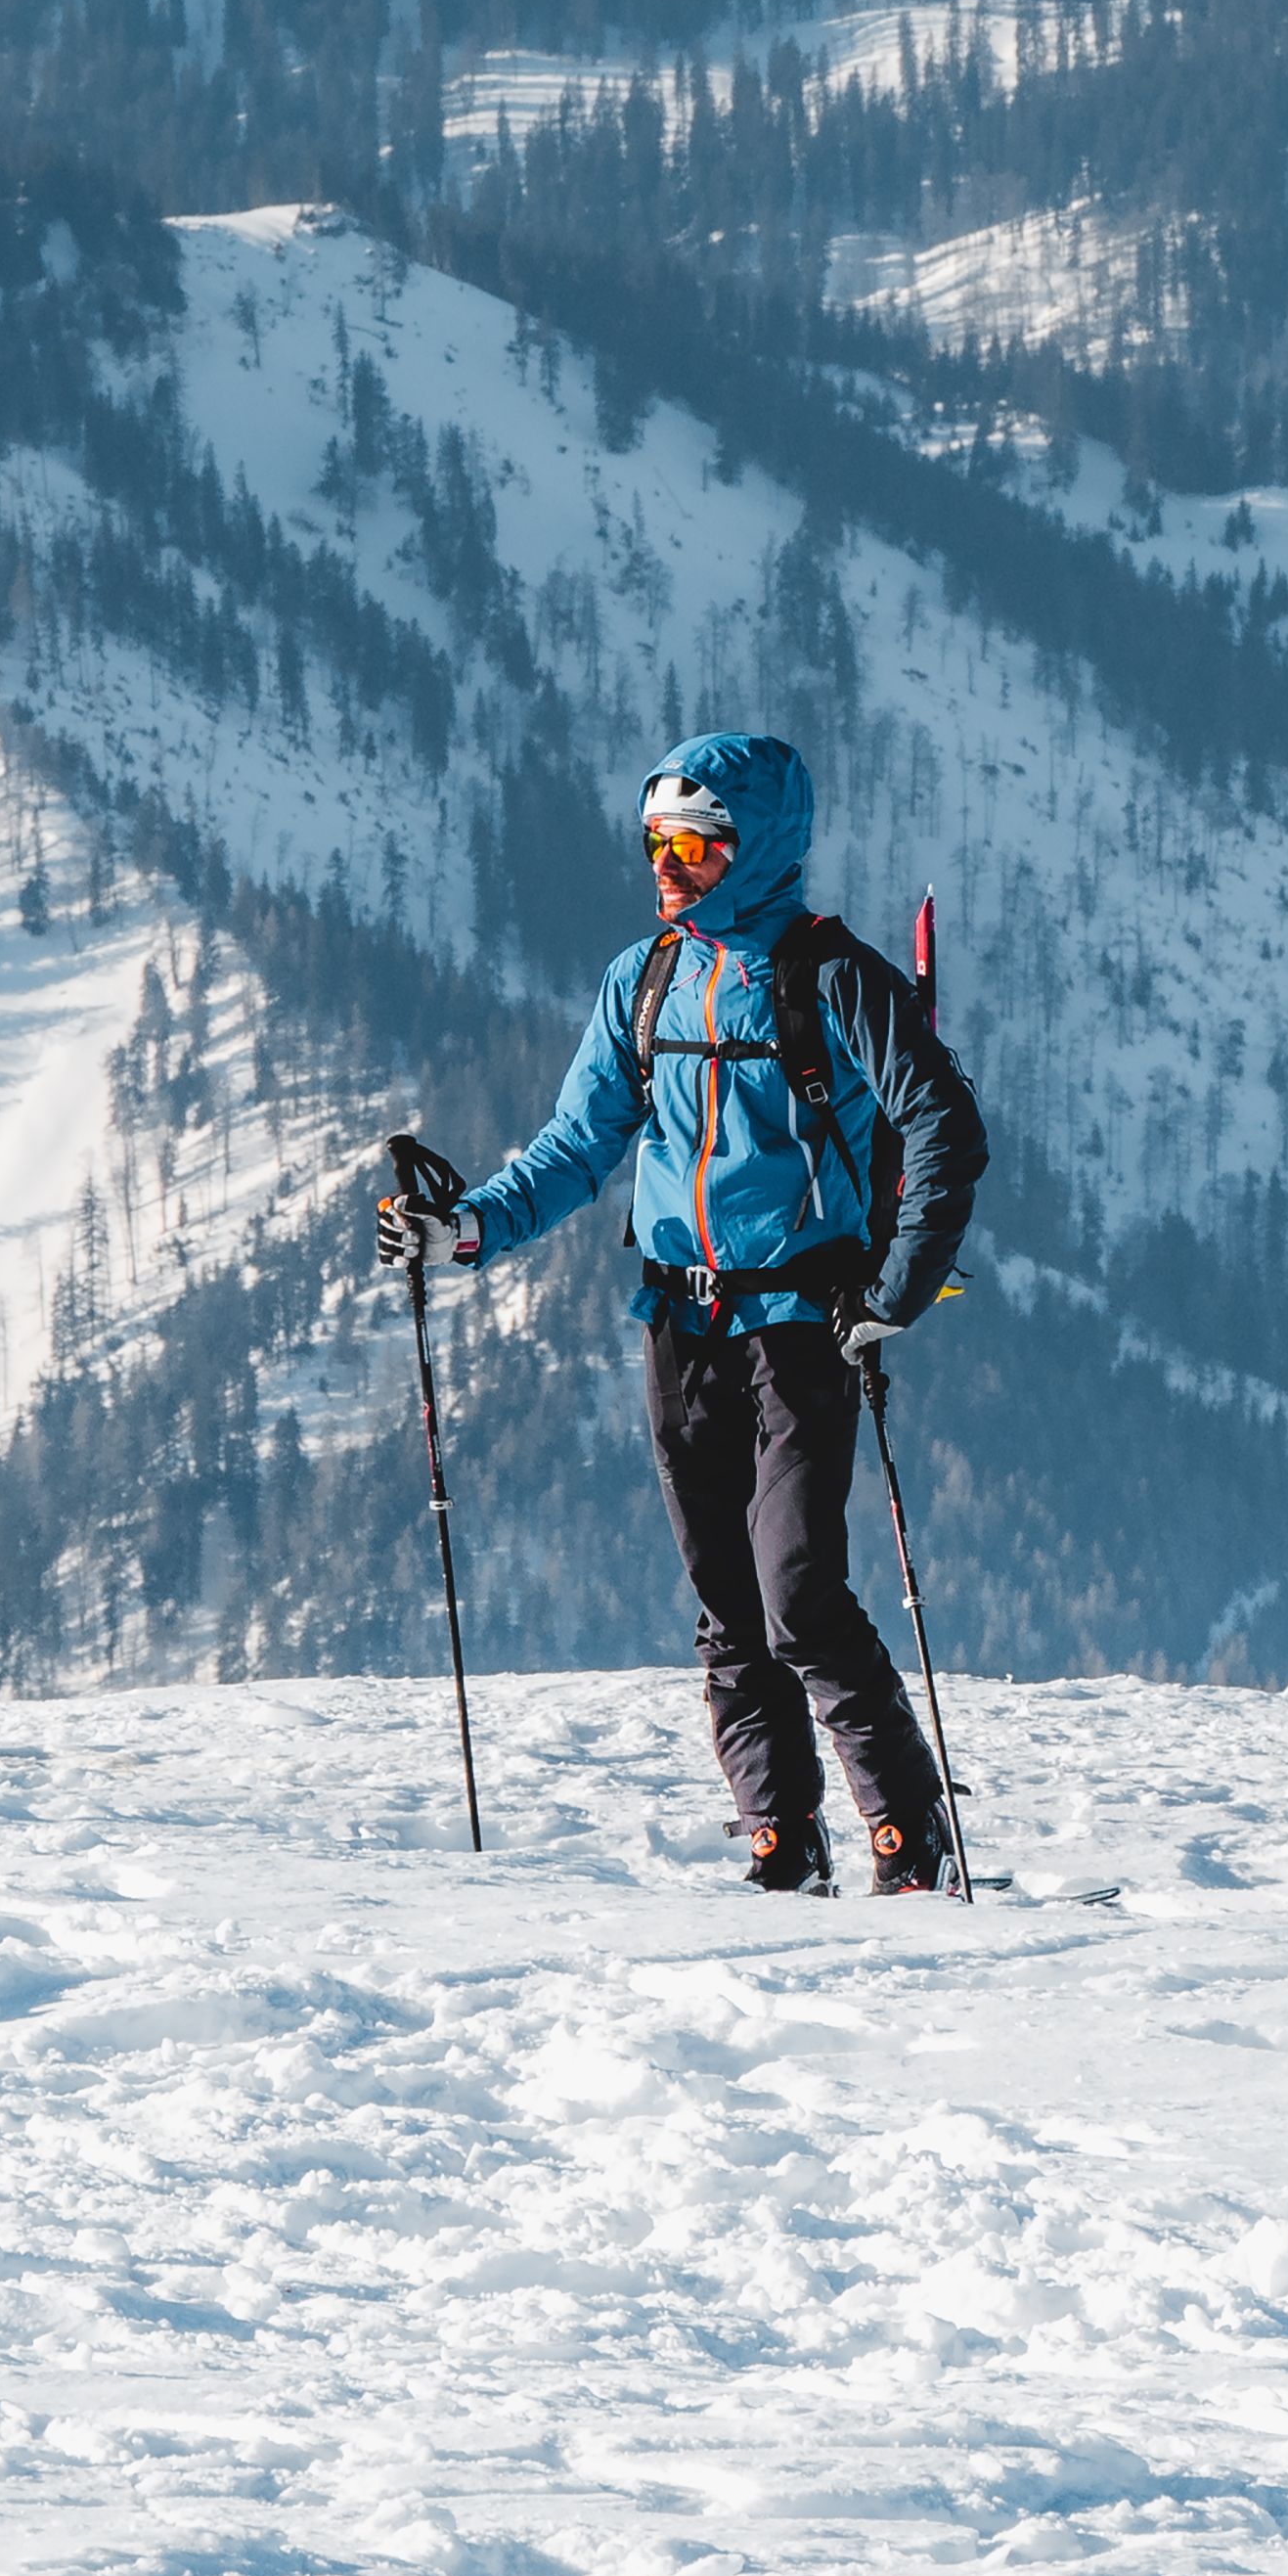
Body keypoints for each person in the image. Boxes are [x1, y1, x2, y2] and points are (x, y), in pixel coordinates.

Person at [377, 732, 986, 1888]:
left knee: (797, 1588)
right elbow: (577, 1142)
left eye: (700, 843)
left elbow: (946, 1128)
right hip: (678, 1321)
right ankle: (780, 1835)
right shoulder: (644, 977)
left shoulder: (832, 976)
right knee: (725, 1601)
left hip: (807, 1319)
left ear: (758, 850)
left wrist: (897, 1292)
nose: (673, 864)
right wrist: (470, 1228)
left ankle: (907, 1832)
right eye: (659, 841)